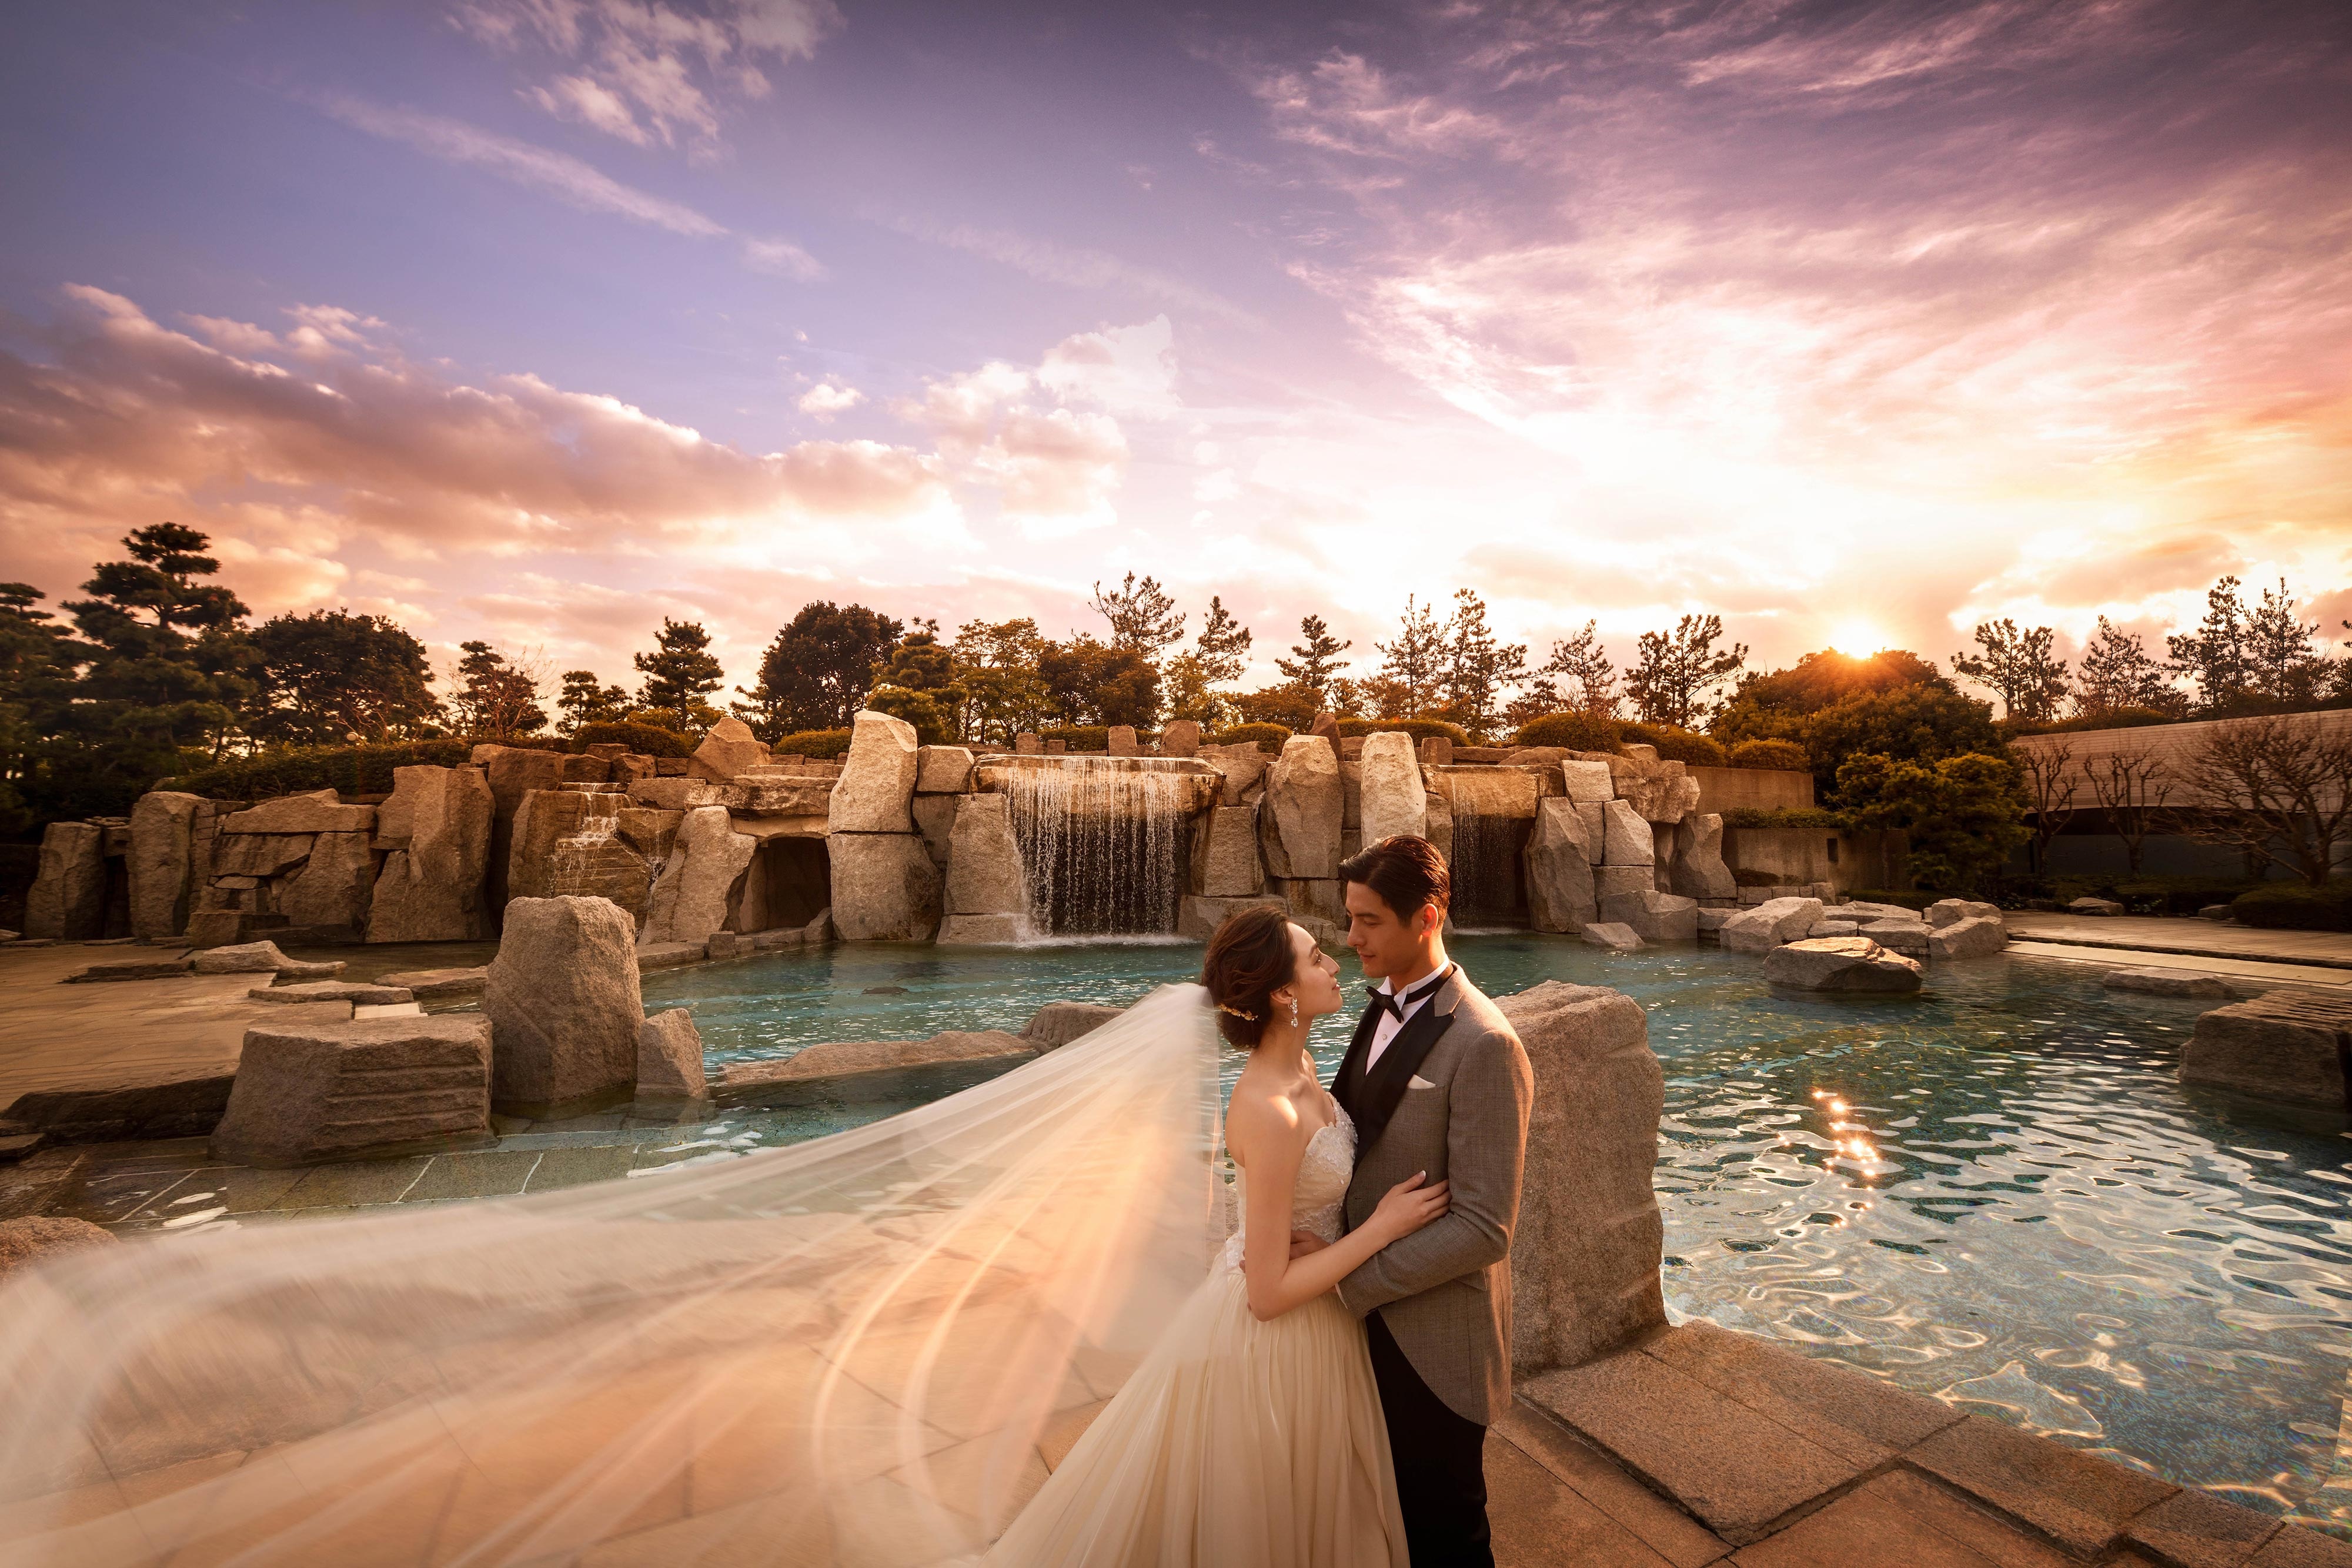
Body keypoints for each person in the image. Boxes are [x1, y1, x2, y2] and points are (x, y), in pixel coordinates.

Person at [986, 904, 1447, 1566]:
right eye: (1316, 956)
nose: (1334, 961)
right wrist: (1381, 1229)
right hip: (1277, 1342)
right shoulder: (1270, 1109)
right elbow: (1265, 1293)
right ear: (1283, 993)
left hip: (1321, 1320)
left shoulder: (1305, 1074)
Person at [1325, 834, 1534, 1568]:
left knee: (1446, 1534)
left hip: (1431, 1336)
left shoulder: (1485, 1043)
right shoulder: (1380, 999)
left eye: (1370, 921)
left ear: (1428, 916)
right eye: (1349, 918)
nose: (1351, 939)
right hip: (1364, 1321)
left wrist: (1349, 1286)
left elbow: (1484, 1227)